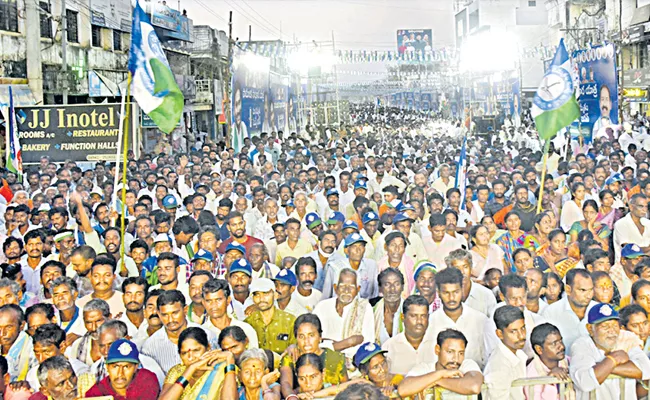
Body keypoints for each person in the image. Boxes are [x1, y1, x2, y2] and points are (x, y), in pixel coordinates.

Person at [570, 303, 650, 399]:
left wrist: (604, 367)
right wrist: (614, 359)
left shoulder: (626, 338)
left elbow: (646, 370)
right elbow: (586, 383)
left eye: (615, 326)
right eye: (605, 326)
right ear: (590, 329)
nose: (611, 331)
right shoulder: (581, 344)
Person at [427, 267, 487, 367]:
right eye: (446, 293)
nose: (451, 298)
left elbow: (488, 359)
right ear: (438, 293)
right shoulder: (430, 323)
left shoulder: (481, 321)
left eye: (455, 292)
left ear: (462, 289)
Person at [397, 329, 484, 398]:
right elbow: (403, 389)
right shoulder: (424, 368)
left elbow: (474, 387)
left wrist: (437, 381)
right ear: (437, 350)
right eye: (450, 352)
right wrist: (440, 374)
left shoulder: (467, 365)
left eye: (461, 353)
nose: (456, 359)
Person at [313, 268, 376, 360]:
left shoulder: (364, 308)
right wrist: (349, 342)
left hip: (354, 365)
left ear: (358, 289)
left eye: (351, 287)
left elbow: (368, 344)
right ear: (335, 288)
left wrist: (330, 345)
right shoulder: (322, 307)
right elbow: (313, 339)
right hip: (323, 360)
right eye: (342, 286)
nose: (346, 291)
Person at [279, 314, 347, 398]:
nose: (306, 341)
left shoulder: (335, 358)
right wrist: (292, 397)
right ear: (296, 338)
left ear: (320, 336)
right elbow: (286, 384)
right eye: (301, 336)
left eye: (311, 335)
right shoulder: (291, 356)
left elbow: (346, 386)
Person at [160, 327, 238, 400]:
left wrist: (230, 360)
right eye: (184, 353)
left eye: (196, 350)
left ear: (208, 347)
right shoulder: (177, 371)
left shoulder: (223, 368)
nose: (191, 357)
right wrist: (190, 370)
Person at [542, 268, 597, 355]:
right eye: (583, 290)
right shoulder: (551, 313)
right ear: (568, 289)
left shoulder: (598, 309)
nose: (589, 295)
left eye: (591, 290)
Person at [83, 338, 160, 399]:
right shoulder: (95, 394)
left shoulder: (146, 379)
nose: (120, 373)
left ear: (136, 367)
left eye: (126, 367)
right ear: (107, 367)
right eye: (115, 366)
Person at [382, 295, 435, 375]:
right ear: (403, 317)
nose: (419, 321)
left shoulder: (437, 344)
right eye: (414, 316)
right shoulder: (389, 347)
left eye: (423, 316)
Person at [483, 305, 528, 400]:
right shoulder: (499, 365)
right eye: (513, 331)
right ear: (499, 334)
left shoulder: (518, 354)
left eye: (523, 328)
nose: (521, 336)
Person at [244, 277, 296, 357]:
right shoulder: (247, 323)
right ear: (252, 299)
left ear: (275, 295)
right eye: (256, 294)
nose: (261, 299)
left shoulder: (290, 321)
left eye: (266, 293)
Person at [525, 323, 574, 399]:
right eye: (554, 344)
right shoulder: (531, 374)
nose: (561, 346)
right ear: (539, 349)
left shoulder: (569, 362)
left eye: (560, 341)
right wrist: (550, 381)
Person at [445, 249, 496, 317]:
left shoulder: (486, 295)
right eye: (457, 268)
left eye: (465, 267)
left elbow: (493, 323)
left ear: (471, 268)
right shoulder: (443, 295)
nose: (462, 272)